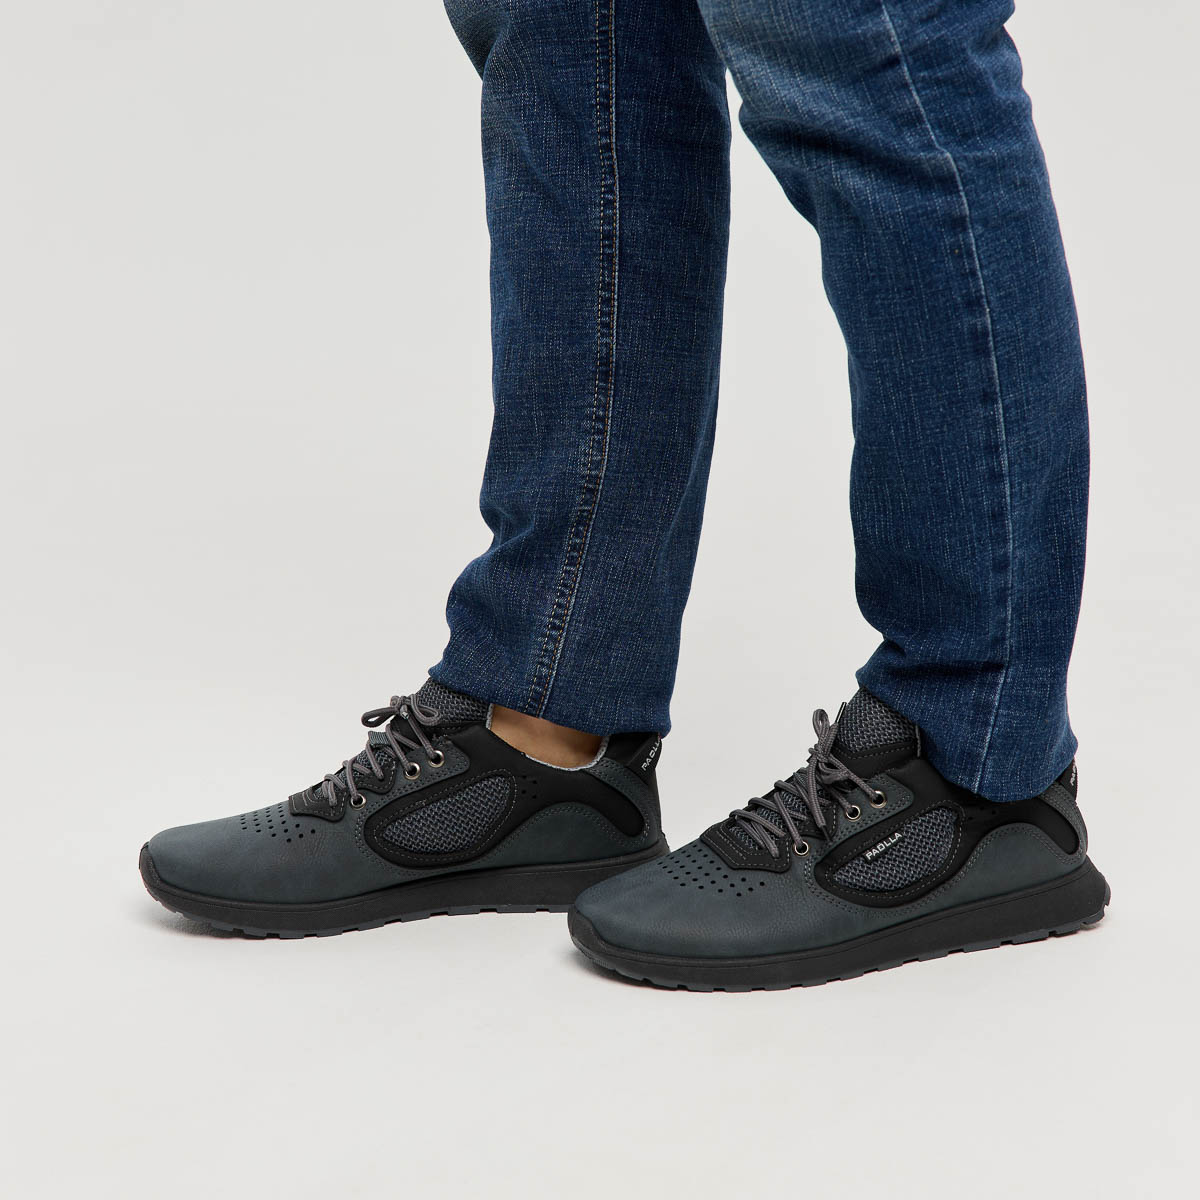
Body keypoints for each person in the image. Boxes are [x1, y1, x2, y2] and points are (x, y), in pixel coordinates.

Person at [139, 0, 1108, 988]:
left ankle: (977, 768)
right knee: (571, 34)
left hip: (978, 770)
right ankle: (547, 729)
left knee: (854, 33)